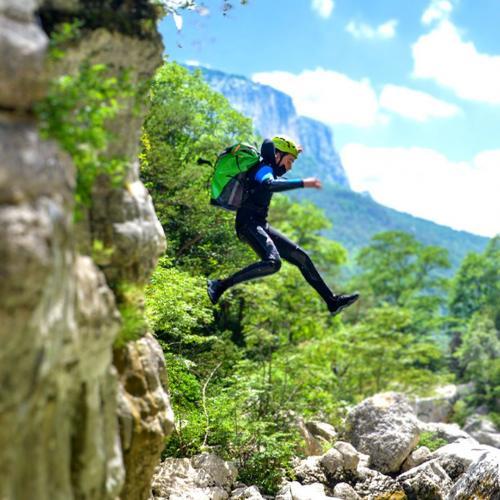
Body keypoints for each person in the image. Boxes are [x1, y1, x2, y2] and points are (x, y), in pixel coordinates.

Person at [207, 135, 359, 315]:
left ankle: (332, 302)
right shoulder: (263, 168)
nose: (290, 166)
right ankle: (220, 285)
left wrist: (293, 150)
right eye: (289, 160)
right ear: (277, 155)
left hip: (259, 225)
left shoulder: (266, 167)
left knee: (301, 257)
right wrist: (302, 183)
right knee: (273, 262)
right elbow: (269, 184)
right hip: (247, 225)